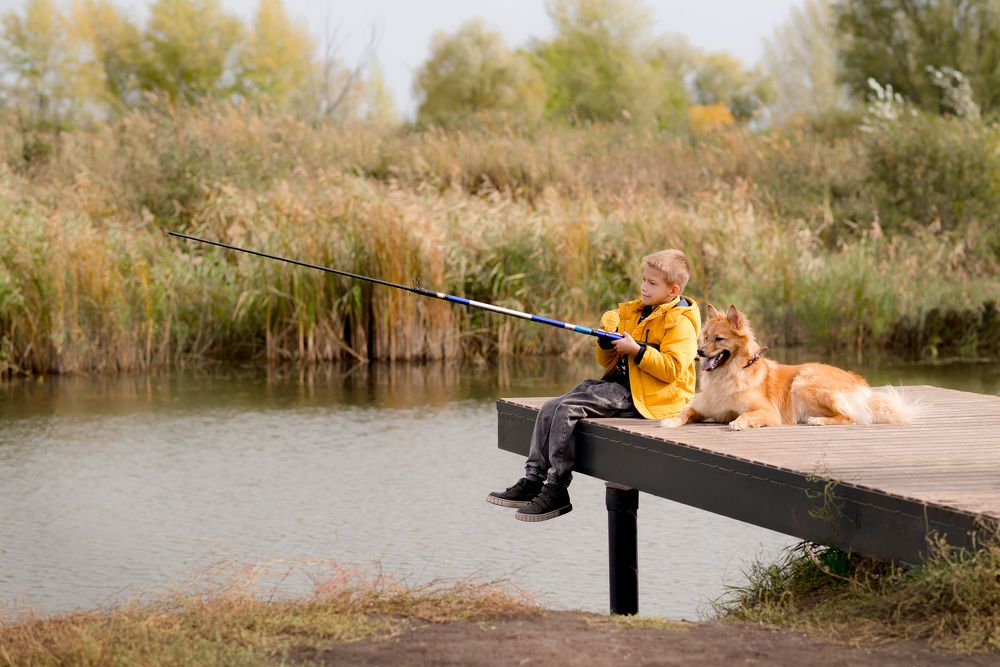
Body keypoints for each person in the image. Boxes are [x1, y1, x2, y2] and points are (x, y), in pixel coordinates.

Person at [487, 249, 701, 522]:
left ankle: (556, 489)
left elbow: (672, 369)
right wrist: (604, 342)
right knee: (552, 406)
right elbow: (606, 361)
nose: (644, 287)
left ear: (673, 291)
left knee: (568, 410)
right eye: (643, 279)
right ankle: (533, 479)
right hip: (619, 384)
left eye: (652, 283)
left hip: (651, 396)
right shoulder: (633, 312)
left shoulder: (680, 323)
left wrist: (636, 350)